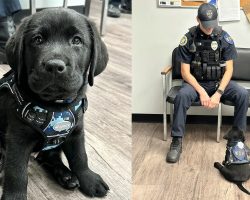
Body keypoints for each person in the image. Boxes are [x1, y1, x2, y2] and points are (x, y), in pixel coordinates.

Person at [166, 3, 249, 163]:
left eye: (213, 24)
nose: (210, 29)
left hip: (218, 82)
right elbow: (185, 72)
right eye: (206, 25)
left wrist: (218, 93)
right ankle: (176, 141)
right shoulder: (188, 39)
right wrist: (202, 92)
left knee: (243, 94)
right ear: (198, 20)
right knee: (182, 96)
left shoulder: (224, 38)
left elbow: (229, 70)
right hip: (194, 84)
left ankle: (237, 139)